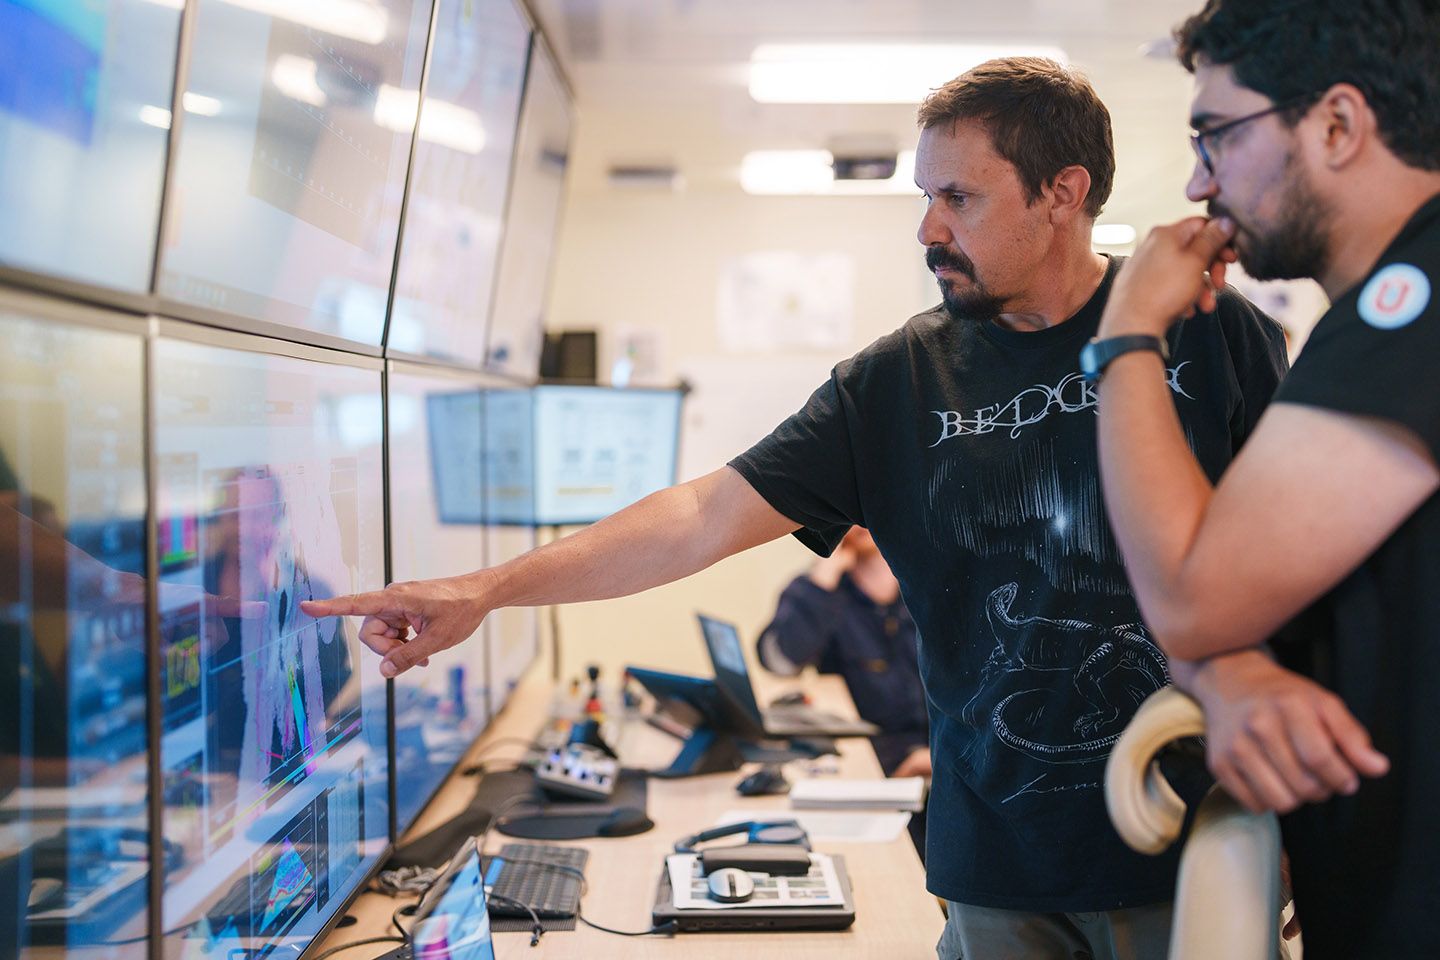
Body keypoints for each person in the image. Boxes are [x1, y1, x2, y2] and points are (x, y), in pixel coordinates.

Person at [305, 57, 1293, 959]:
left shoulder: (1212, 337)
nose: (928, 229)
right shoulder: (900, 381)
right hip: (997, 866)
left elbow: (1310, 572)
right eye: (924, 196)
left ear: (1062, 194)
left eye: (959, 197)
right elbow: (700, 515)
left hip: (1193, 845)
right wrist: (487, 590)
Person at [1088, 2, 1440, 957]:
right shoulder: (1374, 319)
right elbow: (1236, 594)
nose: (1201, 182)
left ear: (1336, 125)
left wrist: (1124, 336)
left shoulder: (1416, 305)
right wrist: (1231, 668)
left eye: (1215, 135)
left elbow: (1193, 596)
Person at [758, 525, 929, 779]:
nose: (859, 521)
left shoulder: (926, 587)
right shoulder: (821, 591)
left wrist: (935, 757)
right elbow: (780, 662)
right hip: (871, 759)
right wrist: (823, 578)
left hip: (938, 755)